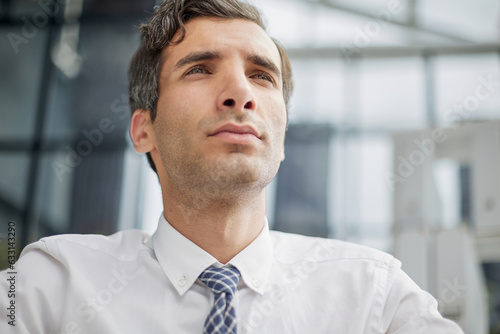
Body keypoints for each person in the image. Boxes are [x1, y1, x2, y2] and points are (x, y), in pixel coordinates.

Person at [1, 0, 464, 333]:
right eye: (200, 69)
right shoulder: (52, 287)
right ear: (144, 130)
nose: (240, 94)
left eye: (261, 76)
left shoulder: (373, 297)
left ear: (280, 139)